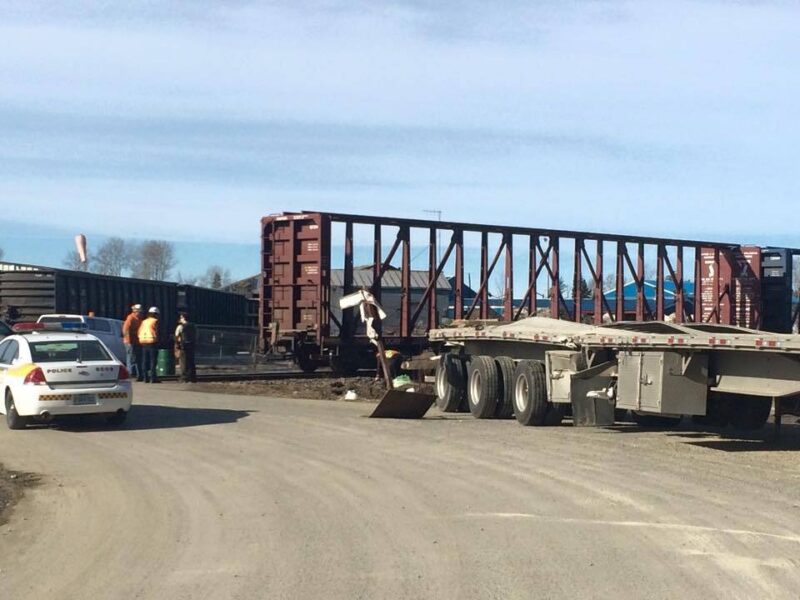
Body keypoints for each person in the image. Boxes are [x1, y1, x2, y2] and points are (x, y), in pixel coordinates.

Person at [138, 306, 160, 383]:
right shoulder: (155, 321)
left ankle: (145, 378)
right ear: (156, 314)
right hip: (152, 342)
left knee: (144, 360)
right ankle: (153, 378)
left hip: (143, 342)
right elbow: (157, 332)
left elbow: (139, 331)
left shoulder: (144, 321)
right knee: (153, 361)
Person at [122, 304, 144, 381]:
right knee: (131, 358)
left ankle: (138, 374)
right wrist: (129, 341)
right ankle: (131, 373)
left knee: (137, 358)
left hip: (137, 341)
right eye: (139, 312)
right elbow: (125, 330)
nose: (140, 313)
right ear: (135, 311)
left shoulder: (139, 319)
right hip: (130, 342)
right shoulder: (130, 318)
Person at [174, 312, 197, 383]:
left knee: (183, 362)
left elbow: (176, 336)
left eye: (181, 317)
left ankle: (184, 377)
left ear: (183, 318)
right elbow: (196, 335)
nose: (180, 319)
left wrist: (177, 345)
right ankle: (192, 377)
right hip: (191, 345)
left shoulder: (180, 327)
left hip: (183, 346)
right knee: (191, 361)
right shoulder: (193, 326)